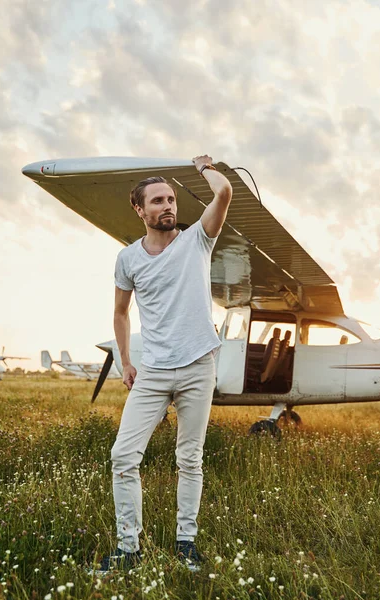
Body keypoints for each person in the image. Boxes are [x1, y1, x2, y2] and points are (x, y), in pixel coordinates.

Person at [99, 154, 232, 574]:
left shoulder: (198, 239)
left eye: (171, 199)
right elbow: (120, 313)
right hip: (153, 370)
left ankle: (186, 544)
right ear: (139, 210)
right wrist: (126, 362)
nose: (168, 206)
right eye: (157, 200)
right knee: (124, 456)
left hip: (197, 365)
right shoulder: (128, 259)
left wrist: (204, 167)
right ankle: (128, 549)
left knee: (189, 459)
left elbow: (225, 192)